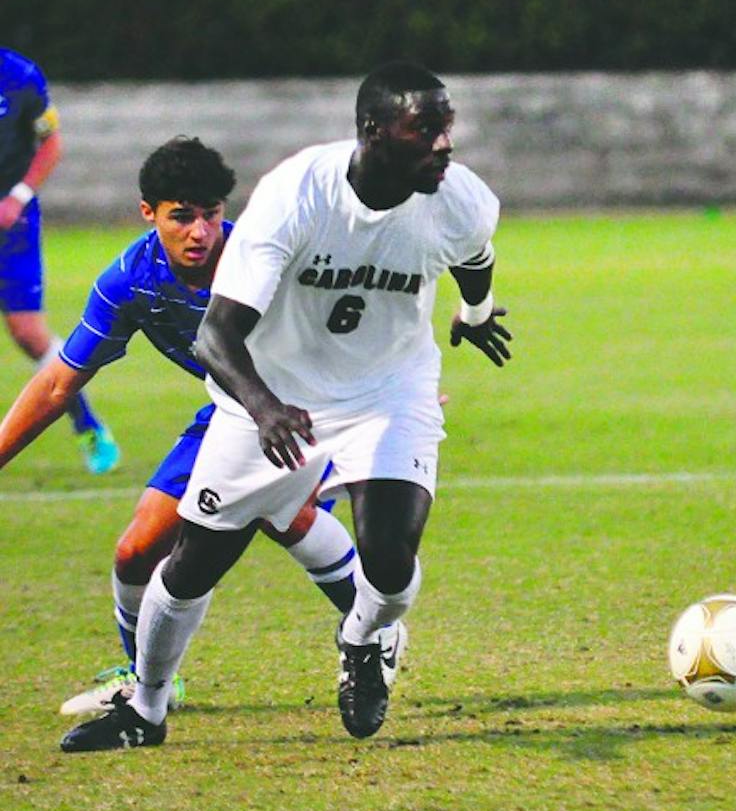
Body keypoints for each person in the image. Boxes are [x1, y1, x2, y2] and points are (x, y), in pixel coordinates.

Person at [61, 61, 510, 752]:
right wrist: (266, 407)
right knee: (190, 564)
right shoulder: (297, 193)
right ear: (373, 132)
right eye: (426, 129)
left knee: (389, 560)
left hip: (389, 388)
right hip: (272, 393)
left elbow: (474, 254)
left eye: (446, 128)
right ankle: (144, 712)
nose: (444, 145)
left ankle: (361, 637)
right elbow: (217, 333)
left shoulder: (460, 197)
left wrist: (475, 312)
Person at [0, 137, 393, 716]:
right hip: (232, 412)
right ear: (149, 213)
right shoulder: (131, 281)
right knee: (136, 553)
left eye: (210, 214)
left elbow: (356, 312)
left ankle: (372, 629)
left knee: (281, 511)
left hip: (311, 405)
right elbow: (59, 383)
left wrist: (392, 385)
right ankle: (148, 680)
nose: (200, 233)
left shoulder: (264, 259)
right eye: (181, 217)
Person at [0, 46, 117, 472]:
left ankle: (87, 424)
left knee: (29, 334)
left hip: (10, 223)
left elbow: (50, 144)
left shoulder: (20, 76)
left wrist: (17, 196)